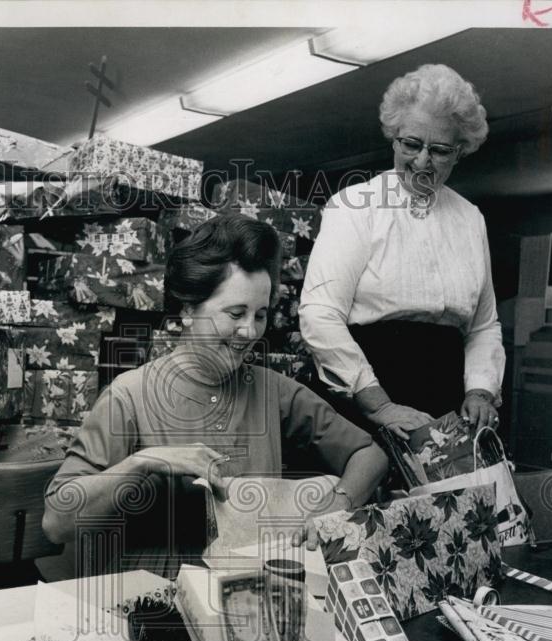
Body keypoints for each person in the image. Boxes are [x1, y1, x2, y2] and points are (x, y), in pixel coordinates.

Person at [42, 214, 389, 576]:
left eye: (260, 315)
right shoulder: (127, 397)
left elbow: (370, 454)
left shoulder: (272, 390)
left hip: (254, 598)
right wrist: (142, 463)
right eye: (235, 313)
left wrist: (332, 509)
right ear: (188, 310)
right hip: (156, 607)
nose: (249, 331)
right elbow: (56, 522)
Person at [299, 63, 505, 440]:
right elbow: (320, 314)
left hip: (446, 402)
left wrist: (480, 391)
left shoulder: (470, 219)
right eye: (411, 144)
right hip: (366, 396)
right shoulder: (355, 206)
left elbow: (483, 326)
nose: (422, 162)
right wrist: (378, 404)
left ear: (460, 152)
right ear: (393, 137)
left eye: (440, 150)